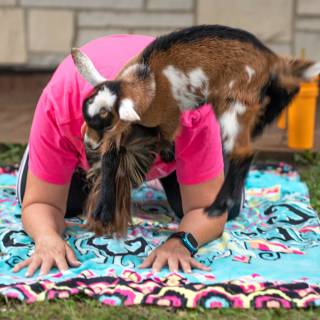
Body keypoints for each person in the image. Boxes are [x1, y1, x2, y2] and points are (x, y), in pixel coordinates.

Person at [13, 34, 244, 277]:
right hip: (75, 122)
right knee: (59, 205)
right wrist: (46, 238)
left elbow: (208, 210)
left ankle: (197, 158)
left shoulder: (194, 113)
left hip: (182, 135)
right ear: (85, 131)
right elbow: (41, 203)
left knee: (226, 207)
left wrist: (181, 243)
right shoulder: (60, 104)